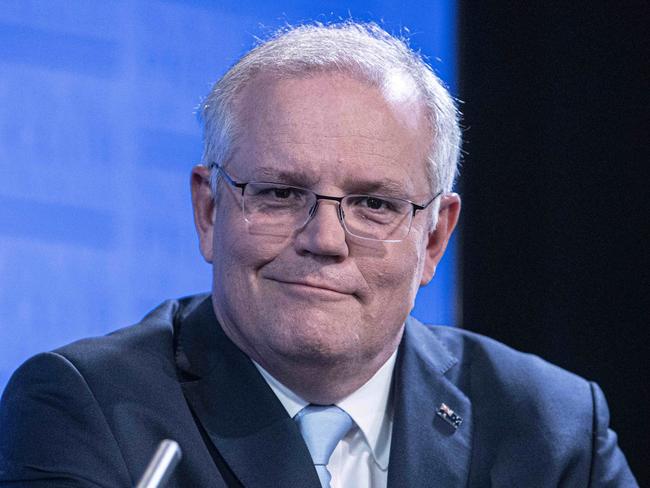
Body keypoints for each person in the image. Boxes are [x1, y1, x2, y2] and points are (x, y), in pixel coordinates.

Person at [0, 22, 637, 488]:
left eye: (375, 205)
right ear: (209, 211)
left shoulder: (550, 429)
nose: (325, 240)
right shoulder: (86, 409)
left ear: (434, 239)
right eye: (279, 193)